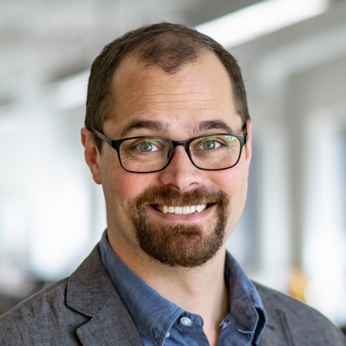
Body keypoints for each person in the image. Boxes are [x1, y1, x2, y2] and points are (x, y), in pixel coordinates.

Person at [0, 22, 345, 346]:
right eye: (146, 145)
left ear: (247, 147)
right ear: (93, 155)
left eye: (211, 143)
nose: (182, 178)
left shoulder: (316, 335)